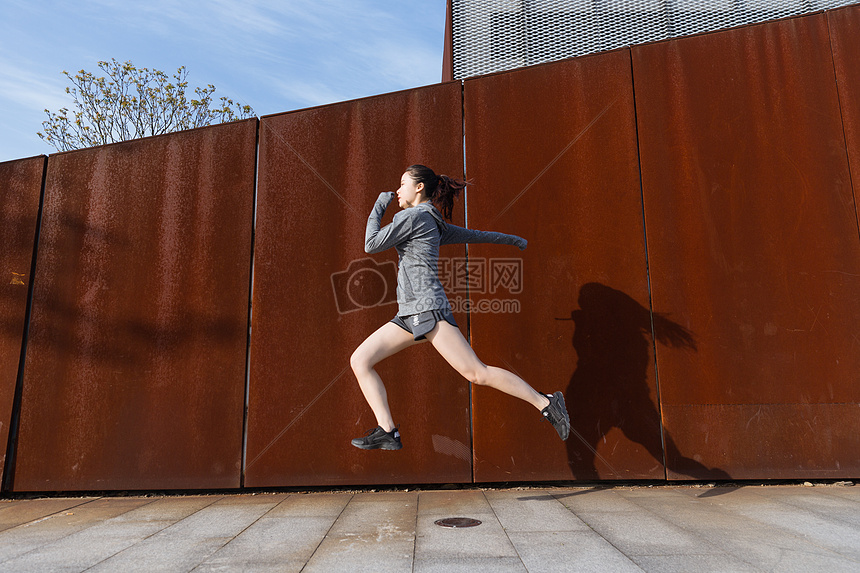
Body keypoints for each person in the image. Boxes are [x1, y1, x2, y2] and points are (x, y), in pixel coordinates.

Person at [349, 164, 570, 450]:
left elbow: (370, 243)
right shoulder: (429, 221)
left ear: (419, 188)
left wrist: (380, 204)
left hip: (427, 309)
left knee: (476, 372)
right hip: (408, 314)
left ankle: (547, 402)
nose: (397, 190)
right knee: (361, 360)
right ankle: (387, 430)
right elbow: (474, 234)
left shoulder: (415, 216)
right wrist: (512, 240)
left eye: (402, 183)